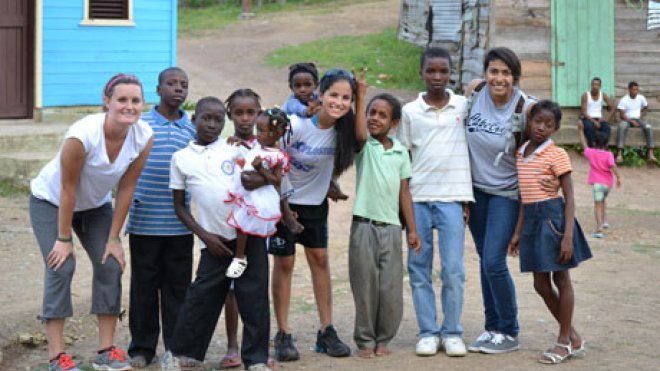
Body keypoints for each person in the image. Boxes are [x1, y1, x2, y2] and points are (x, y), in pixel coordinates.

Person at [29, 73, 154, 371]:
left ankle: (106, 351)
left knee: (110, 263)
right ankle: (56, 356)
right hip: (51, 201)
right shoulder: (81, 135)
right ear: (106, 101)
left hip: (95, 207)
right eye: (122, 99)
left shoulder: (143, 136)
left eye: (135, 100)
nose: (129, 106)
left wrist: (114, 239)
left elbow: (126, 188)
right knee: (61, 264)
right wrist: (63, 239)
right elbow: (67, 189)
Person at [161, 97, 270, 371]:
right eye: (206, 118)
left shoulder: (234, 149)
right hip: (214, 242)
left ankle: (256, 360)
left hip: (248, 237)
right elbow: (179, 206)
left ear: (225, 122)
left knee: (254, 298)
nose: (211, 124)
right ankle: (183, 354)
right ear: (193, 119)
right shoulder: (181, 158)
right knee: (201, 297)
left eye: (218, 119)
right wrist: (205, 236)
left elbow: (257, 179)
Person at [267, 67, 363, 362]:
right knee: (285, 263)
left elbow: (361, 138)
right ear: (320, 95)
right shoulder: (296, 125)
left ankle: (326, 330)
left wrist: (362, 95)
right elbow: (272, 159)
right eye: (333, 94)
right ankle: (283, 333)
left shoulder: (342, 131)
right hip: (285, 203)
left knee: (319, 260)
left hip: (315, 205)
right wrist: (284, 205)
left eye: (346, 98)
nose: (339, 102)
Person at [397, 47, 474, 357]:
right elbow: (403, 158)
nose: (437, 77)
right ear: (421, 73)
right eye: (431, 71)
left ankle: (452, 331)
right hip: (418, 200)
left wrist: (475, 85)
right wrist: (402, 206)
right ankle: (428, 331)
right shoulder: (409, 112)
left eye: (443, 71)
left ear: (451, 73)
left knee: (453, 269)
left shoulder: (464, 106)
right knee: (419, 267)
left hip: (453, 200)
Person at [464, 47, 537, 354]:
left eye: (506, 73)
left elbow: (538, 159)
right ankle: (491, 328)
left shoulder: (526, 107)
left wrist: (524, 220)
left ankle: (509, 329)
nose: (499, 78)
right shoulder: (474, 92)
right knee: (485, 260)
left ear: (515, 77)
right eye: (494, 71)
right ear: (485, 74)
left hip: (507, 194)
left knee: (494, 260)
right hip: (476, 192)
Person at [508, 100, 591, 364]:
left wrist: (567, 236)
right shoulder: (521, 153)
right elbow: (524, 197)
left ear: (555, 129)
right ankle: (574, 337)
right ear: (529, 121)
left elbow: (569, 196)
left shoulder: (557, 154)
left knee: (561, 279)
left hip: (554, 220)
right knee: (540, 284)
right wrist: (518, 233)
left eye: (548, 124)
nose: (541, 128)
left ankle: (564, 341)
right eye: (537, 121)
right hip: (532, 221)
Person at [125, 67, 195, 369]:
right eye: (171, 84)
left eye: (183, 85)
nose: (177, 89)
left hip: (181, 224)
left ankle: (175, 348)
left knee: (178, 288)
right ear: (158, 89)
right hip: (145, 221)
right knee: (143, 287)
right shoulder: (141, 124)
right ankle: (142, 348)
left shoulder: (193, 129)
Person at [350, 89, 421, 359]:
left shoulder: (402, 153)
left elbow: (404, 193)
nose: (375, 119)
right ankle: (365, 340)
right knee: (364, 286)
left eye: (382, 115)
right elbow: (357, 136)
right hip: (363, 227)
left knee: (390, 288)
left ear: (394, 124)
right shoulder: (365, 146)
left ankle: (384, 338)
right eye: (371, 113)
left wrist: (412, 230)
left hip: (392, 228)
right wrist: (359, 98)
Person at [221, 88, 261, 370]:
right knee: (231, 289)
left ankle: (257, 348)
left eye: (251, 112)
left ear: (258, 114)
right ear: (229, 115)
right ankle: (232, 346)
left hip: (257, 228)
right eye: (239, 113)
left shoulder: (265, 145)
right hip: (229, 227)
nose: (245, 119)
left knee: (256, 288)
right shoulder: (223, 147)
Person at [226, 108, 292, 278]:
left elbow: (277, 181)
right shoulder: (258, 144)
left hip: (262, 197)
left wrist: (260, 168)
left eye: (262, 131)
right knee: (241, 224)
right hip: (247, 191)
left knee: (244, 224)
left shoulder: (279, 156)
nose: (258, 134)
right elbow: (251, 150)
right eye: (258, 130)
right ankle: (239, 257)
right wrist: (240, 143)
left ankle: (240, 258)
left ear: (276, 133)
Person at [577, 122, 622, 238]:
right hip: (608, 184)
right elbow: (613, 166)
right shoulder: (609, 154)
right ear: (607, 144)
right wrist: (618, 177)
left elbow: (584, 144)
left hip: (597, 183)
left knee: (597, 204)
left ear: (594, 143)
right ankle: (604, 221)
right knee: (603, 201)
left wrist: (581, 131)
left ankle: (599, 228)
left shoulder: (592, 153)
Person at [616, 81, 656, 163]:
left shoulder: (641, 98)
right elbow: (621, 115)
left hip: (638, 119)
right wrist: (631, 121)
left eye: (637, 90)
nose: (636, 91)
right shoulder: (624, 99)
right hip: (626, 120)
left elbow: (646, 107)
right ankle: (619, 154)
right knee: (621, 126)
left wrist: (641, 116)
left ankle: (650, 154)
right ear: (629, 89)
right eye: (634, 89)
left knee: (648, 127)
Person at [580, 77, 615, 148]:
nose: (595, 86)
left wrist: (606, 118)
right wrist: (594, 122)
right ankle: (592, 146)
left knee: (607, 128)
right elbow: (584, 112)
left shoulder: (603, 95)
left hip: (599, 119)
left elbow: (613, 107)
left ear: (600, 86)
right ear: (591, 85)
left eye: (597, 85)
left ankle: (604, 146)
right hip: (588, 118)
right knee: (589, 127)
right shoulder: (586, 95)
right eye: (593, 84)